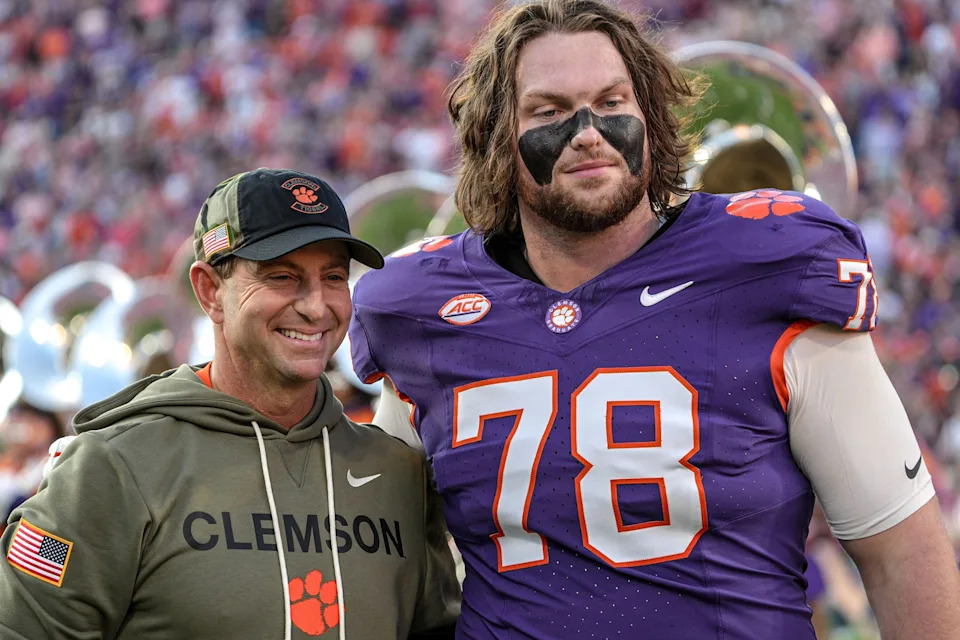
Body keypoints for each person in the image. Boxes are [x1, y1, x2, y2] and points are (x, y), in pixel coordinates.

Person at [349, 1, 960, 638]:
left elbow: (899, 550)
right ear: (497, 138)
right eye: (549, 112)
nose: (587, 131)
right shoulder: (423, 311)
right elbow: (394, 560)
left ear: (650, 115)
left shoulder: (768, 268)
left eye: (612, 102)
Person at [0, 168, 461, 639]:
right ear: (209, 291)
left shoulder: (398, 473)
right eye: (282, 276)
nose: (316, 306)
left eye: (334, 277)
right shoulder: (109, 468)